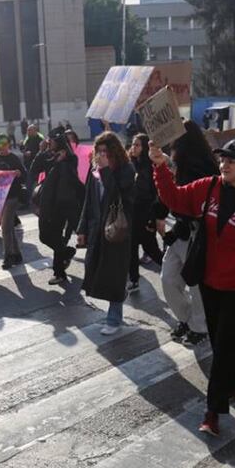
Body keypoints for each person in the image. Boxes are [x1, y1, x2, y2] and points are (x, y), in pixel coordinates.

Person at [152, 137, 235, 437]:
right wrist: (160, 167)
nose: (224, 164)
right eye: (222, 159)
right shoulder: (209, 187)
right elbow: (174, 199)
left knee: (223, 346)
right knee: (224, 342)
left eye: (232, 160)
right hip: (211, 284)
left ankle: (212, 412)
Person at [154, 121, 216, 346]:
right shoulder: (176, 163)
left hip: (196, 233)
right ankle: (187, 318)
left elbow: (193, 202)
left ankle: (199, 326)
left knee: (196, 284)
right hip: (179, 229)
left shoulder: (203, 167)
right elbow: (167, 195)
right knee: (168, 279)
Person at [76, 132, 135, 336]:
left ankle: (114, 318)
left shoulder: (126, 170)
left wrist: (106, 171)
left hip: (117, 229)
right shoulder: (94, 172)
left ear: (114, 152)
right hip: (96, 230)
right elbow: (88, 201)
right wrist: (82, 229)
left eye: (105, 152)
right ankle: (119, 296)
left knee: (114, 274)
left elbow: (119, 193)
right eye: (98, 151)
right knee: (96, 269)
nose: (101, 155)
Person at [35, 127, 84, 284]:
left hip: (62, 206)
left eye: (52, 141)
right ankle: (67, 251)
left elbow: (72, 178)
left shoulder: (70, 159)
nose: (49, 143)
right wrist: (41, 151)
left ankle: (59, 273)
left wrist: (63, 161)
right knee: (45, 237)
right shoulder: (49, 157)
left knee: (54, 236)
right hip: (47, 204)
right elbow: (35, 168)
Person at [127, 133, 164, 291]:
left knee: (151, 248)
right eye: (133, 144)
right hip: (132, 212)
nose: (134, 148)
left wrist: (153, 217)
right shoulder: (129, 164)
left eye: (137, 145)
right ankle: (134, 280)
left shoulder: (150, 166)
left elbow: (155, 193)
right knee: (131, 247)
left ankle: (174, 271)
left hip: (146, 212)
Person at [0, 133, 27, 269]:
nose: (1, 147)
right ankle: (17, 254)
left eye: (3, 144)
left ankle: (8, 256)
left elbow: (24, 174)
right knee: (8, 226)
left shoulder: (13, 158)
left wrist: (18, 173)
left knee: (5, 227)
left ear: (8, 145)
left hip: (12, 197)